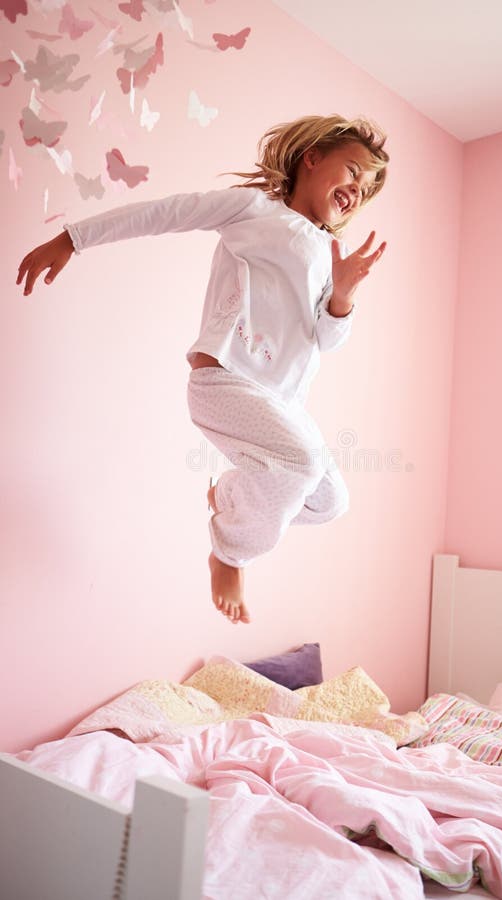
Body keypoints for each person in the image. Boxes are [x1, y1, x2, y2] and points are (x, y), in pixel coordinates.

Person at [16, 113, 389, 626]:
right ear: (312, 158)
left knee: (331, 502)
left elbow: (325, 338)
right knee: (300, 465)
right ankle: (228, 554)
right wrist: (73, 239)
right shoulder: (254, 209)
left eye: (366, 189)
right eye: (353, 171)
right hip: (226, 380)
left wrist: (342, 294)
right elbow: (163, 213)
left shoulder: (332, 252)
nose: (357, 190)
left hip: (281, 405)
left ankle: (228, 494)